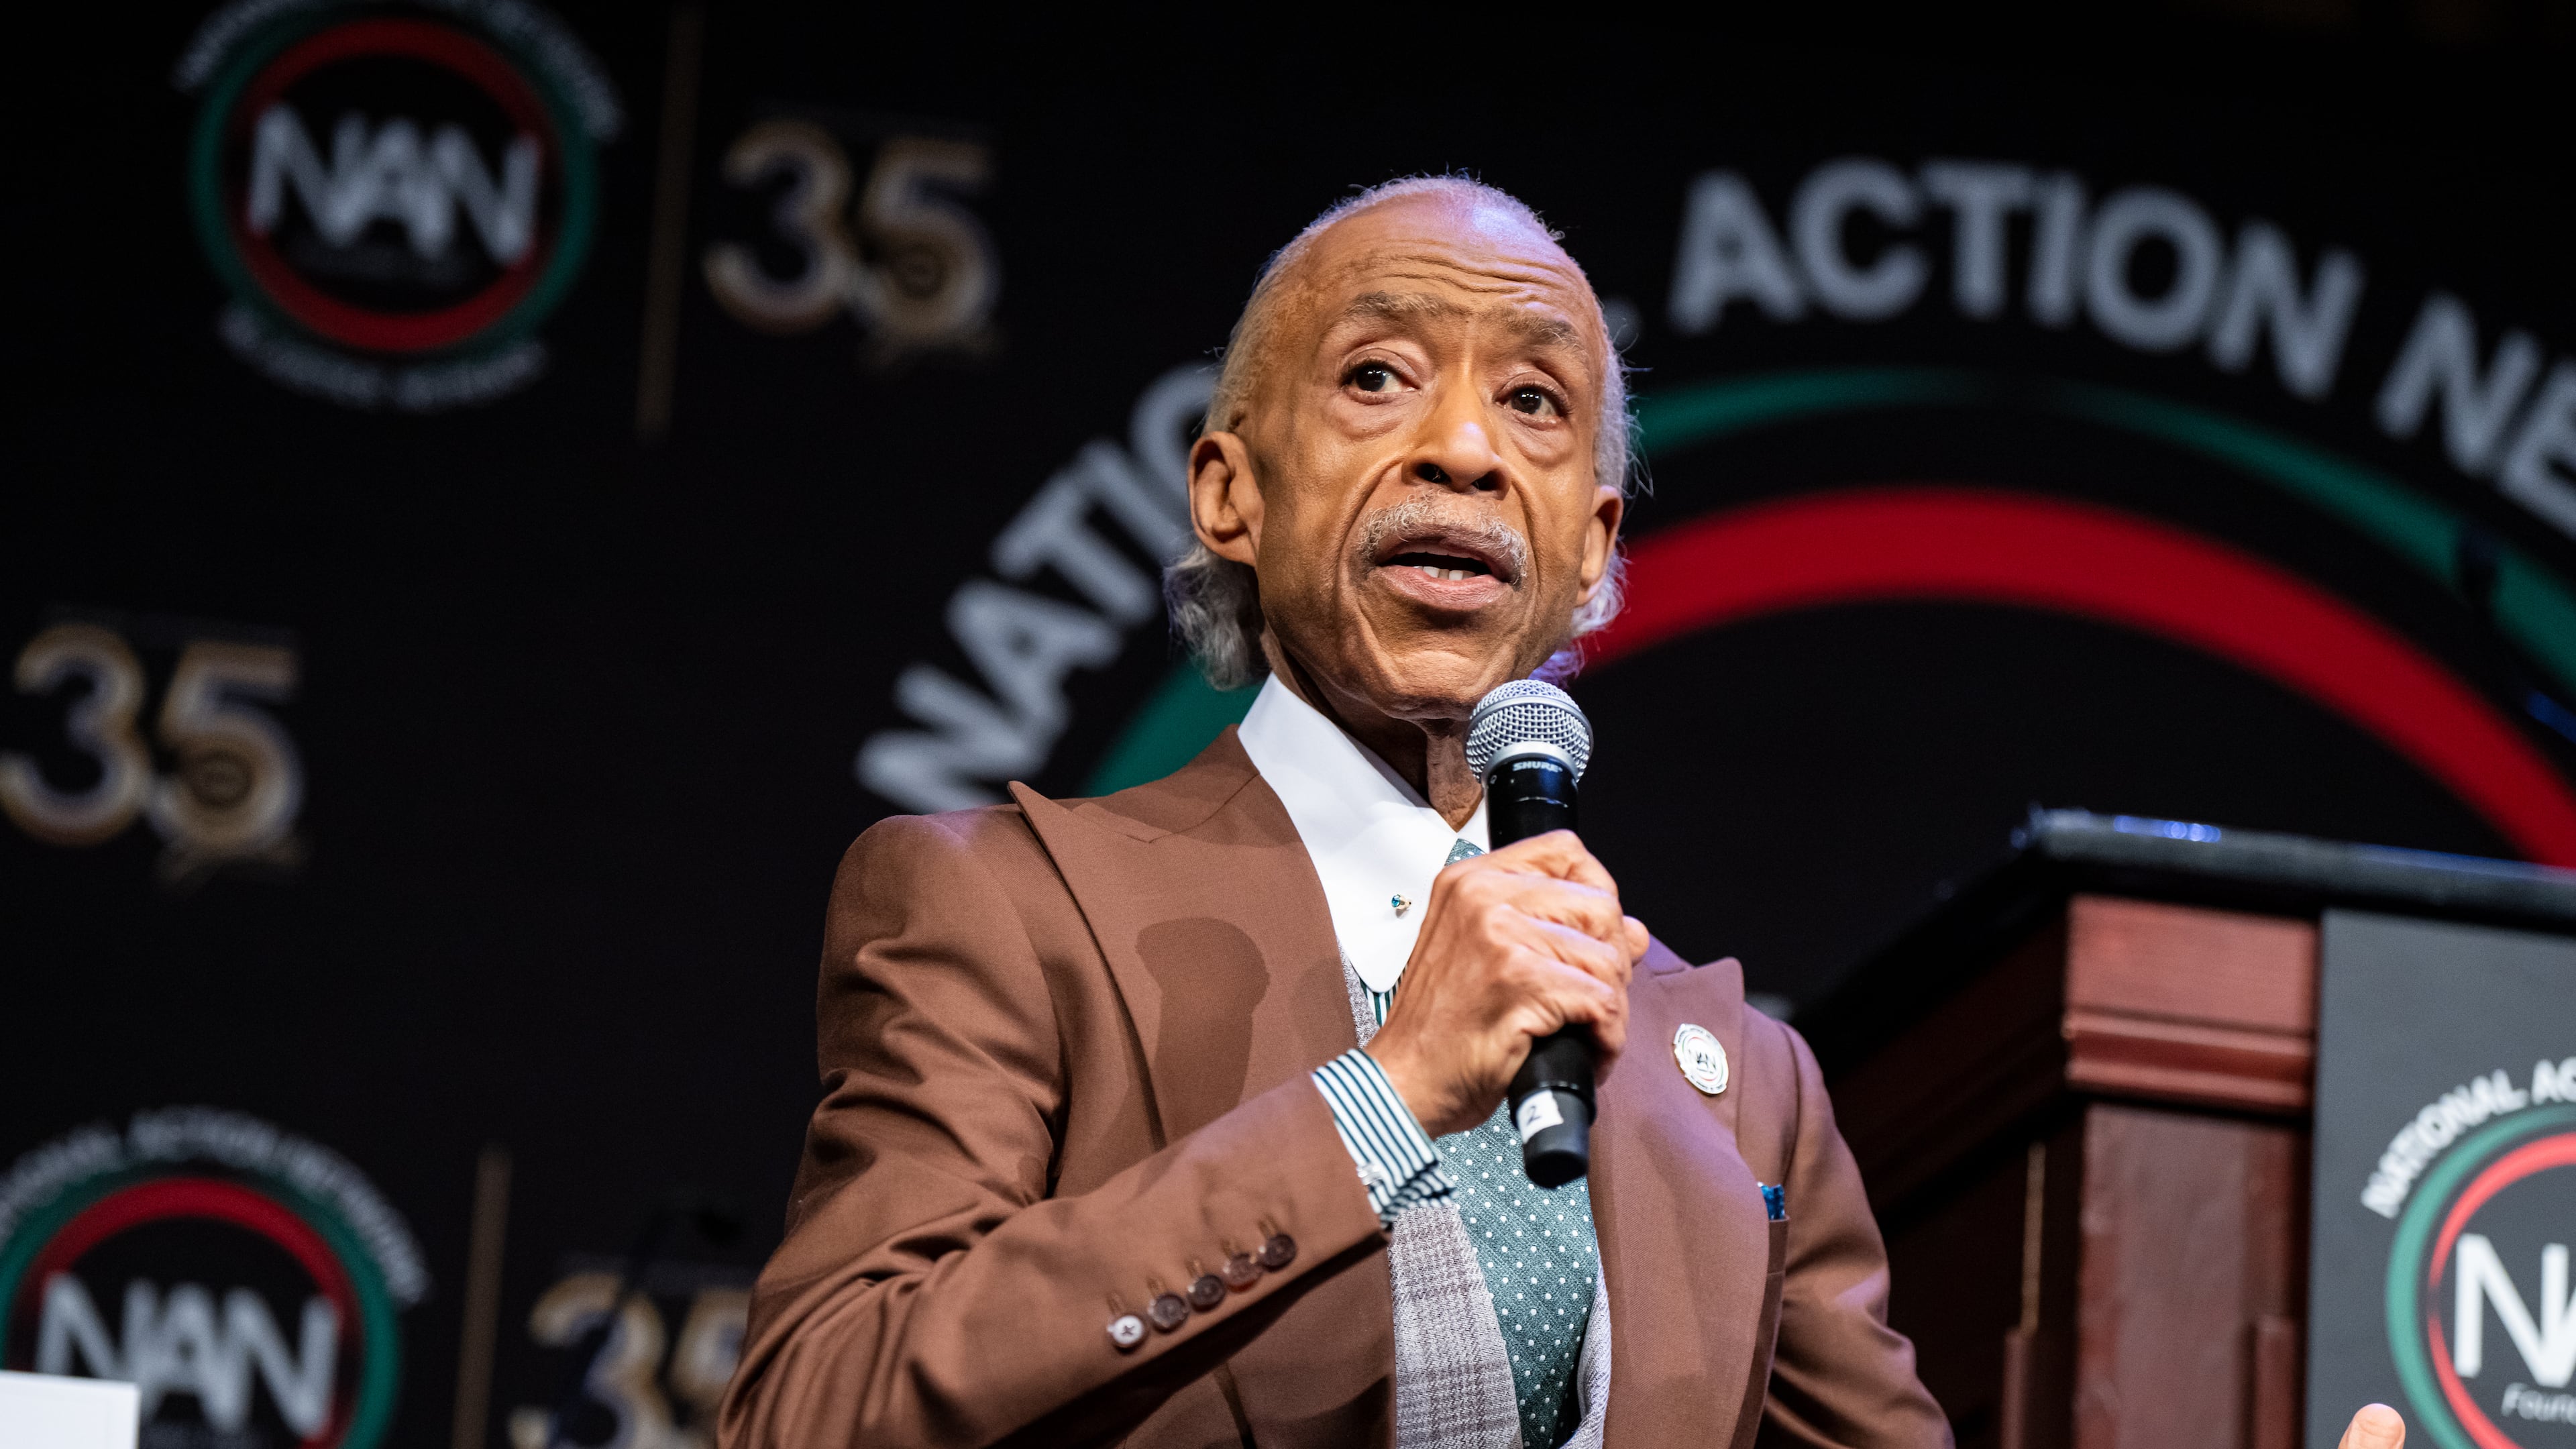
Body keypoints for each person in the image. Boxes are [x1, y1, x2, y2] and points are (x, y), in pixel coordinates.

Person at [718, 178, 2409, 1449]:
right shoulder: (1000, 906)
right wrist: (1380, 1102)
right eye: (1378, 378)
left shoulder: (1741, 1083)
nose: (1462, 447)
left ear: (1593, 548)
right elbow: (820, 1402)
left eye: (1532, 404)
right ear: (1231, 492)